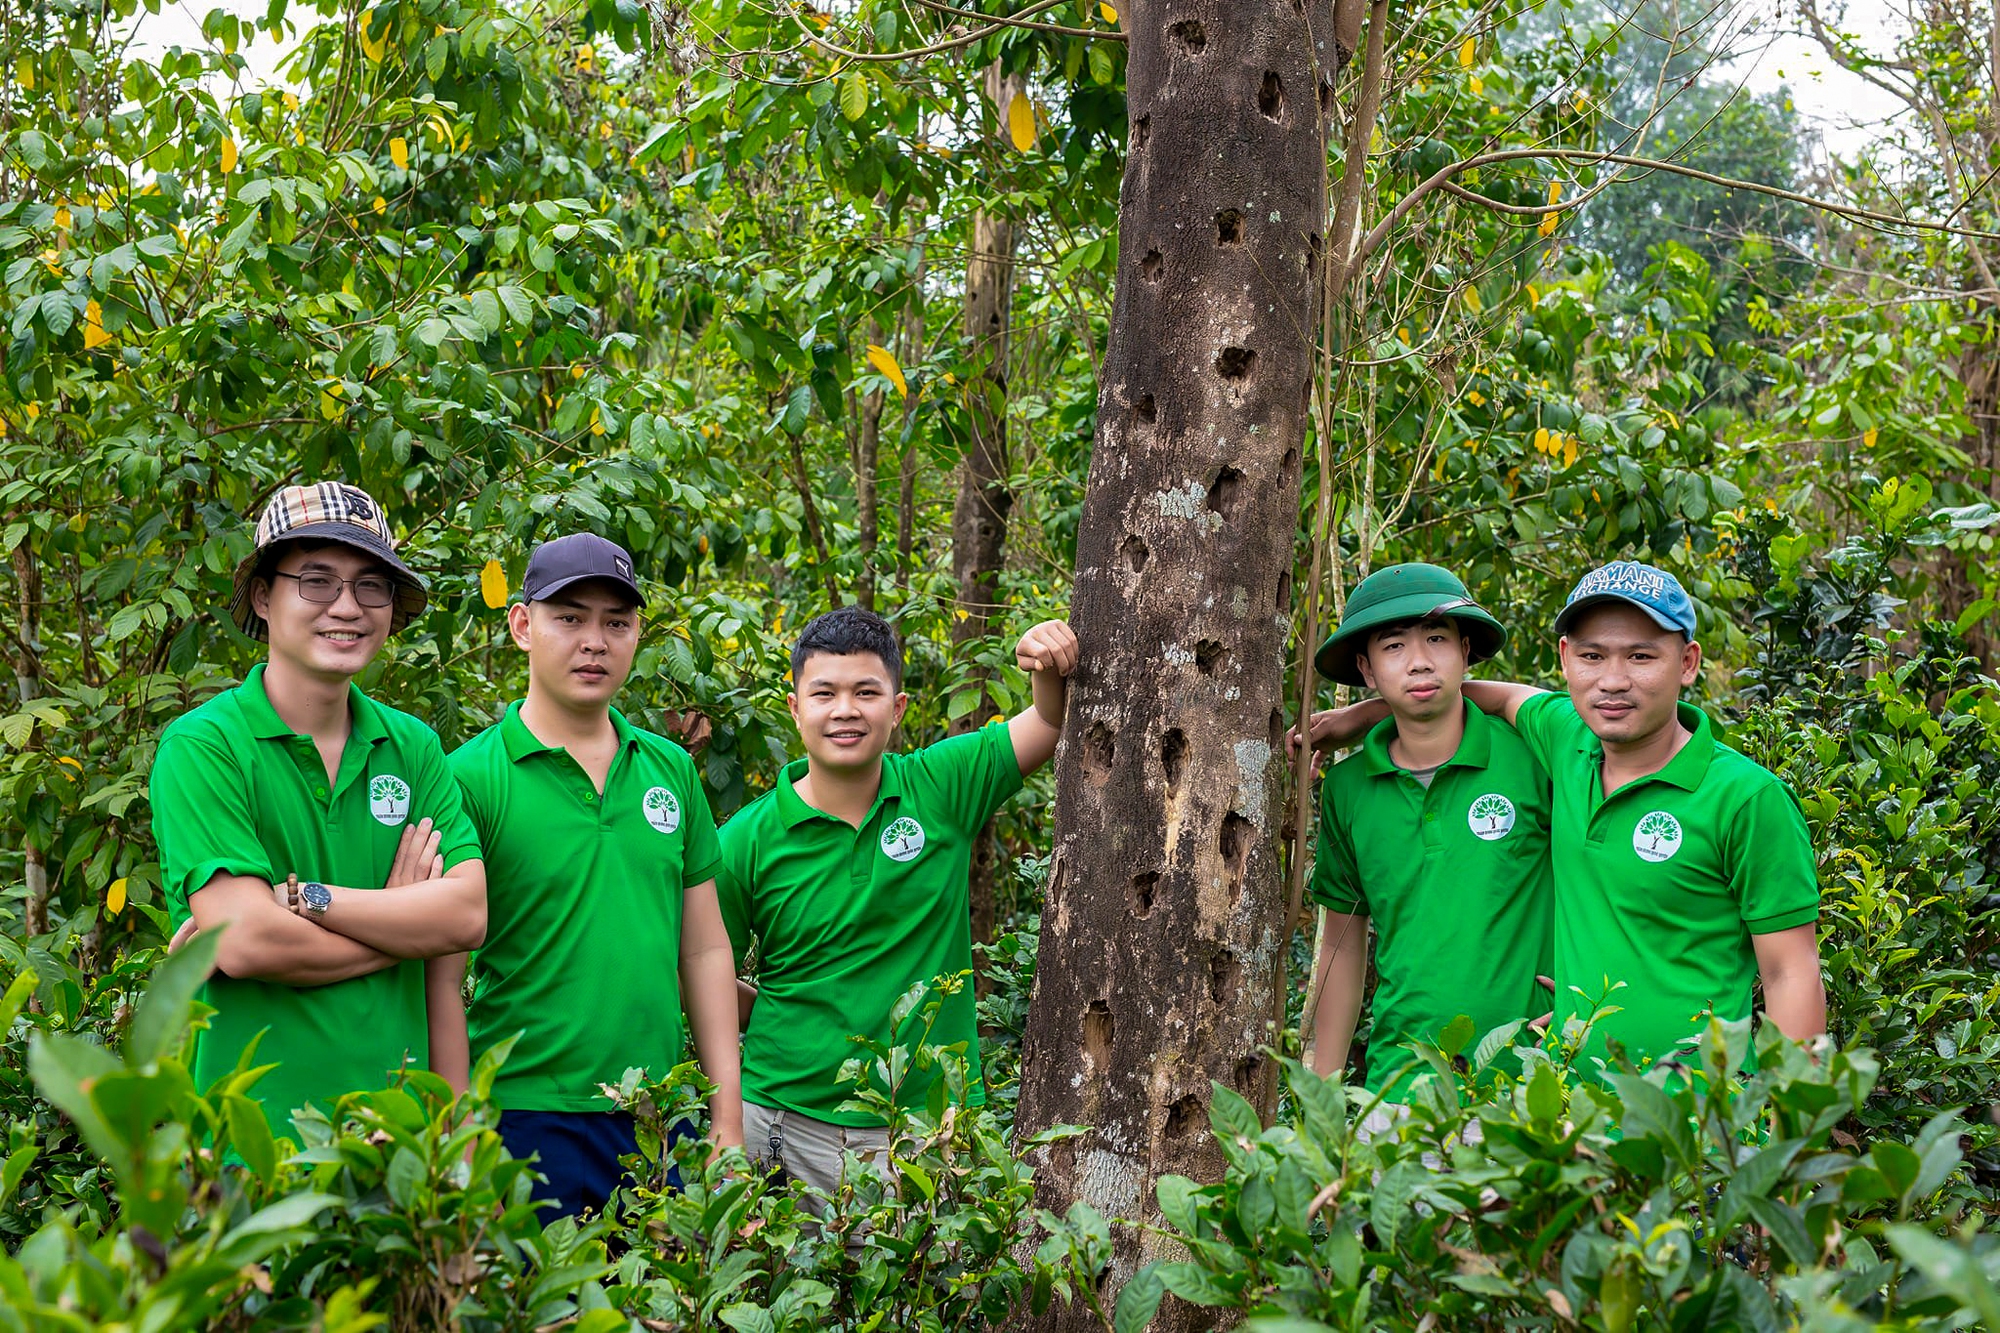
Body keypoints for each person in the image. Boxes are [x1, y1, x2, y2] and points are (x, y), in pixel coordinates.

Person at [1300, 560, 1824, 1080]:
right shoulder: (1565, 743)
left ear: (1687, 663)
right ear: (1567, 660)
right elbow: (1486, 695)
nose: (1613, 680)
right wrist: (1364, 715)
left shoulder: (1744, 797)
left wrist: (1788, 1142)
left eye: (1641, 656)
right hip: (1558, 1107)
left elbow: (1790, 974)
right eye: (1593, 656)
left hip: (1698, 1124)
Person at [154, 482, 486, 1141]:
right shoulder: (205, 746)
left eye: (371, 585)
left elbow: (464, 914)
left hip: (400, 1151)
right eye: (316, 579)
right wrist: (398, 929)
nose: (347, 606)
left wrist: (303, 898)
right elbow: (245, 939)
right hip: (251, 1155)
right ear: (263, 596)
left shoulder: (413, 747)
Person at [717, 606, 1077, 1193]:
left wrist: (1044, 658)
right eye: (824, 693)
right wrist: (772, 1013)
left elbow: (1049, 721)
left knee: (938, 1285)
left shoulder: (940, 787)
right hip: (782, 1118)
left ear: (898, 707)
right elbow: (700, 969)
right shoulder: (745, 841)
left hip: (930, 1129)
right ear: (795, 708)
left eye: (866, 691)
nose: (845, 710)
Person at [444, 533, 741, 1221]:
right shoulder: (470, 777)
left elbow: (702, 949)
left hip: (657, 1115)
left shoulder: (668, 768)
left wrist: (725, 1112)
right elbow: (442, 975)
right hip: (518, 1115)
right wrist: (456, 1123)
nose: (595, 641)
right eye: (569, 618)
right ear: (522, 624)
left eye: (616, 622)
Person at [1302, 564, 1552, 1104]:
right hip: (1401, 1085)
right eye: (1394, 647)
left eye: (1437, 639)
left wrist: (1366, 713)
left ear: (1466, 651)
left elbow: (1579, 715)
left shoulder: (1533, 758)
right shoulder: (1346, 788)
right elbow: (1342, 947)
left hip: (1536, 1076)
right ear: (1366, 669)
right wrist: (1322, 1098)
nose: (1419, 661)